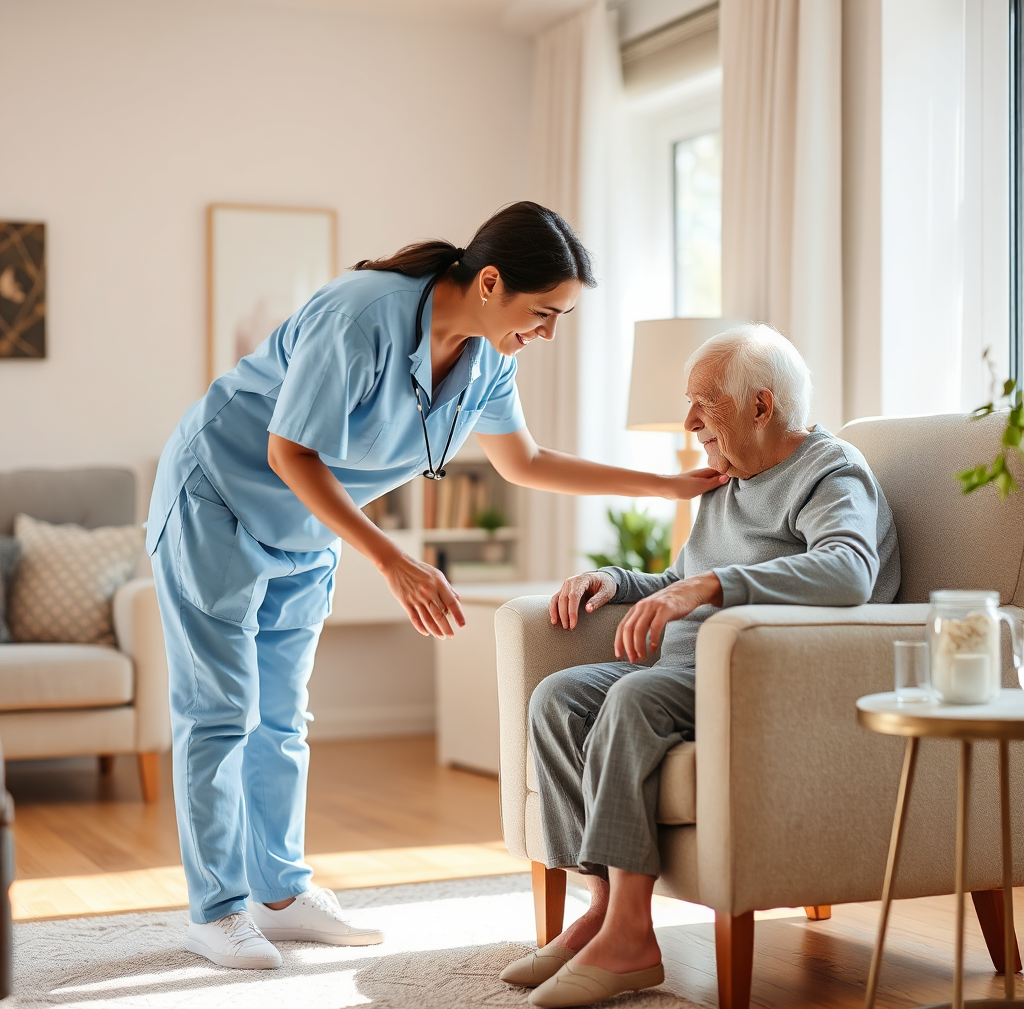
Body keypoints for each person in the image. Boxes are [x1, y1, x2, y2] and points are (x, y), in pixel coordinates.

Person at [146, 201, 728, 970]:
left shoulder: (489, 358)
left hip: (309, 525)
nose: (548, 333)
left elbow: (525, 462)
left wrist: (665, 485)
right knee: (222, 710)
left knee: (282, 715)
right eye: (543, 313)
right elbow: (289, 452)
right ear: (490, 283)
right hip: (216, 499)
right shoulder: (360, 317)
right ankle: (216, 911)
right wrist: (392, 559)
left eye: (560, 318)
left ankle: (278, 896)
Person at [504, 323, 900, 1009]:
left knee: (634, 700)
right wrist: (616, 581)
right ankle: (604, 907)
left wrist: (713, 587)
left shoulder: (832, 471)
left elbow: (847, 571)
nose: (689, 421)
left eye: (704, 403)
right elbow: (680, 578)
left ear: (760, 405)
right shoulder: (727, 480)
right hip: (687, 670)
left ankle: (632, 939)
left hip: (762, 674)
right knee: (559, 698)